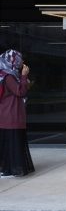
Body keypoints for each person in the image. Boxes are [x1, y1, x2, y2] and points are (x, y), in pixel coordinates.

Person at [0, 49, 35, 178]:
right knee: (14, 144)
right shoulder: (8, 77)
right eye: (19, 60)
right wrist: (24, 75)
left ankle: (9, 168)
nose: (22, 63)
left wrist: (23, 78)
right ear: (12, 61)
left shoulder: (7, 75)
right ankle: (14, 168)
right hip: (11, 115)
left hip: (8, 115)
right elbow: (20, 91)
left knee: (11, 143)